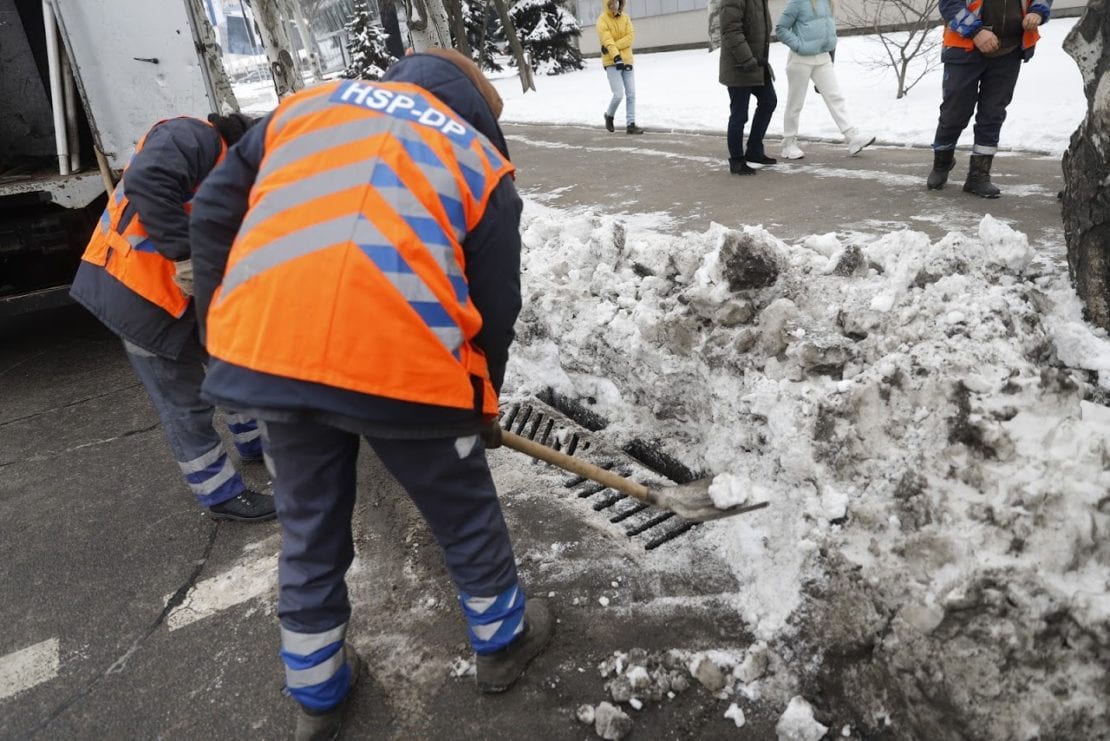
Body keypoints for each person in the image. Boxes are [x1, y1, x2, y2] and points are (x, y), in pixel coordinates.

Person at [188, 49, 555, 740]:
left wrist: (225, 331)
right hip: (406, 363)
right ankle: (504, 644)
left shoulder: (303, 109)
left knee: (309, 523)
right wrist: (481, 407)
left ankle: (317, 691)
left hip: (275, 351)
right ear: (475, 111)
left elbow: (210, 211)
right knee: (463, 512)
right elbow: (495, 307)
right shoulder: (477, 159)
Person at [69, 114, 276, 523]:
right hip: (136, 295)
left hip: (184, 296)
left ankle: (254, 444)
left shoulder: (237, 171)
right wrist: (186, 256)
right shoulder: (190, 136)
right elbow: (148, 183)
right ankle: (220, 495)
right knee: (184, 402)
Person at [927, 0, 1053, 197]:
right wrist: (976, 32)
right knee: (955, 112)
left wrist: (1038, 11)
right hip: (965, 46)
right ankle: (942, 161)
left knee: (993, 113)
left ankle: (978, 176)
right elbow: (949, 4)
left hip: (1009, 49)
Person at [775, 0, 874, 160]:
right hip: (801, 59)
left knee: (835, 97)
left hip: (822, 57)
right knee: (795, 103)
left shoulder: (829, 1)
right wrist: (799, 46)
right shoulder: (798, 2)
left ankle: (852, 138)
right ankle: (789, 144)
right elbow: (781, 29)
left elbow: (828, 29)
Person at [718, 0, 777, 174]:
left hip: (757, 64)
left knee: (769, 101)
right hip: (739, 66)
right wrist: (747, 60)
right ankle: (736, 160)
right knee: (739, 114)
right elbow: (730, 31)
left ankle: (754, 151)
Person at [598, 0, 645, 135]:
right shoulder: (602, 20)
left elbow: (630, 37)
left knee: (631, 94)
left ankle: (630, 125)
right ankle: (609, 116)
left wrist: (614, 46)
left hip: (627, 60)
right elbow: (607, 41)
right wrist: (616, 57)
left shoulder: (626, 18)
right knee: (618, 94)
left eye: (617, 2)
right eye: (612, 3)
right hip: (612, 63)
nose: (615, 5)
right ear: (607, 4)